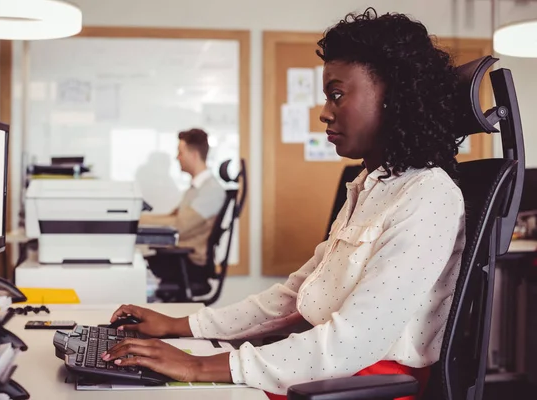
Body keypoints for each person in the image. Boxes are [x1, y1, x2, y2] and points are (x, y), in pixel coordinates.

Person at [101, 8, 466, 399]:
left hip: (365, 385)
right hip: (328, 369)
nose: (325, 113)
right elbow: (292, 297)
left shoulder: (429, 194)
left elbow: (354, 342)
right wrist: (183, 325)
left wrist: (195, 365)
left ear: (395, 97)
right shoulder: (369, 187)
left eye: (337, 95)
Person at [140, 128, 225, 287]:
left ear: (193, 155)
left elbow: (180, 225)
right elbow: (173, 217)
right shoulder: (196, 189)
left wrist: (136, 221)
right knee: (137, 266)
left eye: (180, 152)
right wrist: (137, 220)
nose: (177, 157)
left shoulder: (210, 191)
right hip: (180, 259)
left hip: (189, 265)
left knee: (136, 270)